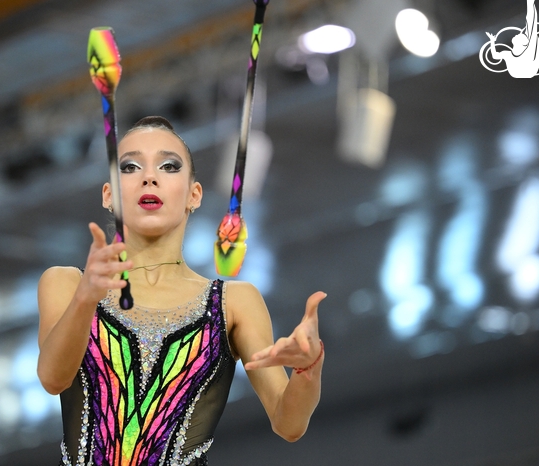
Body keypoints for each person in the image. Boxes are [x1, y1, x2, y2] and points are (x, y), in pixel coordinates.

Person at [37, 116, 325, 465]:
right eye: (130, 166)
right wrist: (86, 298)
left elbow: (289, 423)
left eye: (169, 166)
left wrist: (308, 370)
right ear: (108, 195)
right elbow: (53, 379)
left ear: (194, 194)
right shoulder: (66, 283)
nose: (149, 177)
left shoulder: (234, 302)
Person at [486, 0, 539, 78]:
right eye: (522, 34)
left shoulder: (525, 52)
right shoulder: (513, 54)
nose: (519, 33)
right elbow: (531, 23)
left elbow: (531, 21)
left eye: (520, 35)